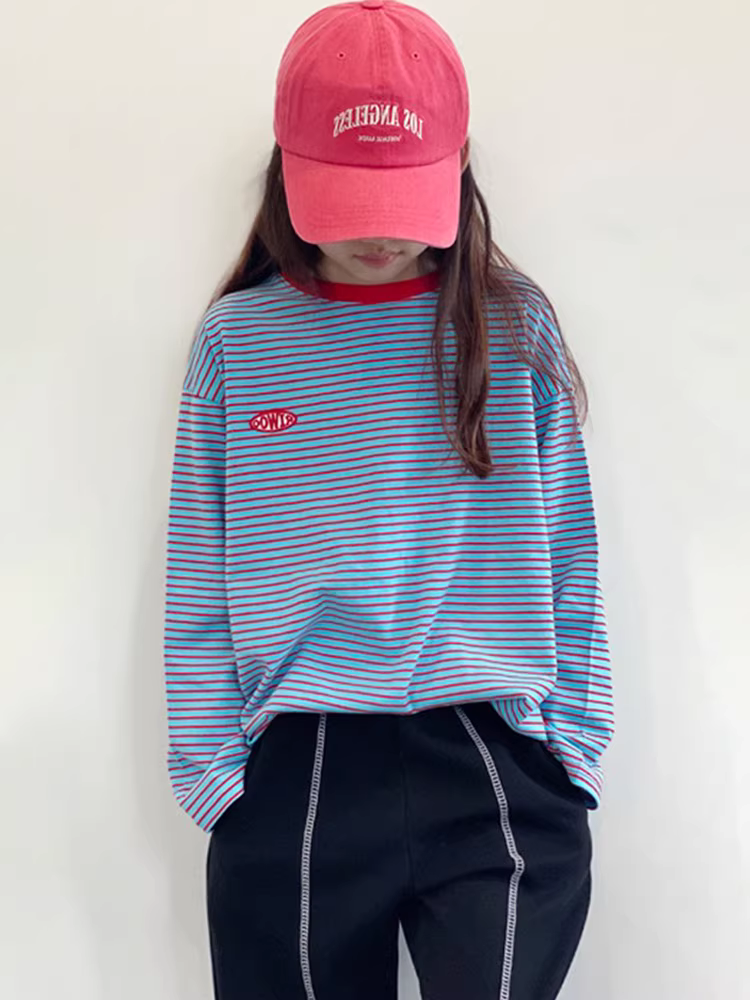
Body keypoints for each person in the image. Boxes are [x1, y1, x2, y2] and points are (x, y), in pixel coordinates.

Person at [162, 2, 614, 998]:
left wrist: (573, 751)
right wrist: (214, 774)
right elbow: (198, 563)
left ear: (458, 167)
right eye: (347, 196)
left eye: (400, 195)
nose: (375, 231)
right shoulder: (239, 343)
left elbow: (570, 554)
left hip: (494, 759)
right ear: (289, 170)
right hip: (298, 769)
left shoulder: (514, 329)